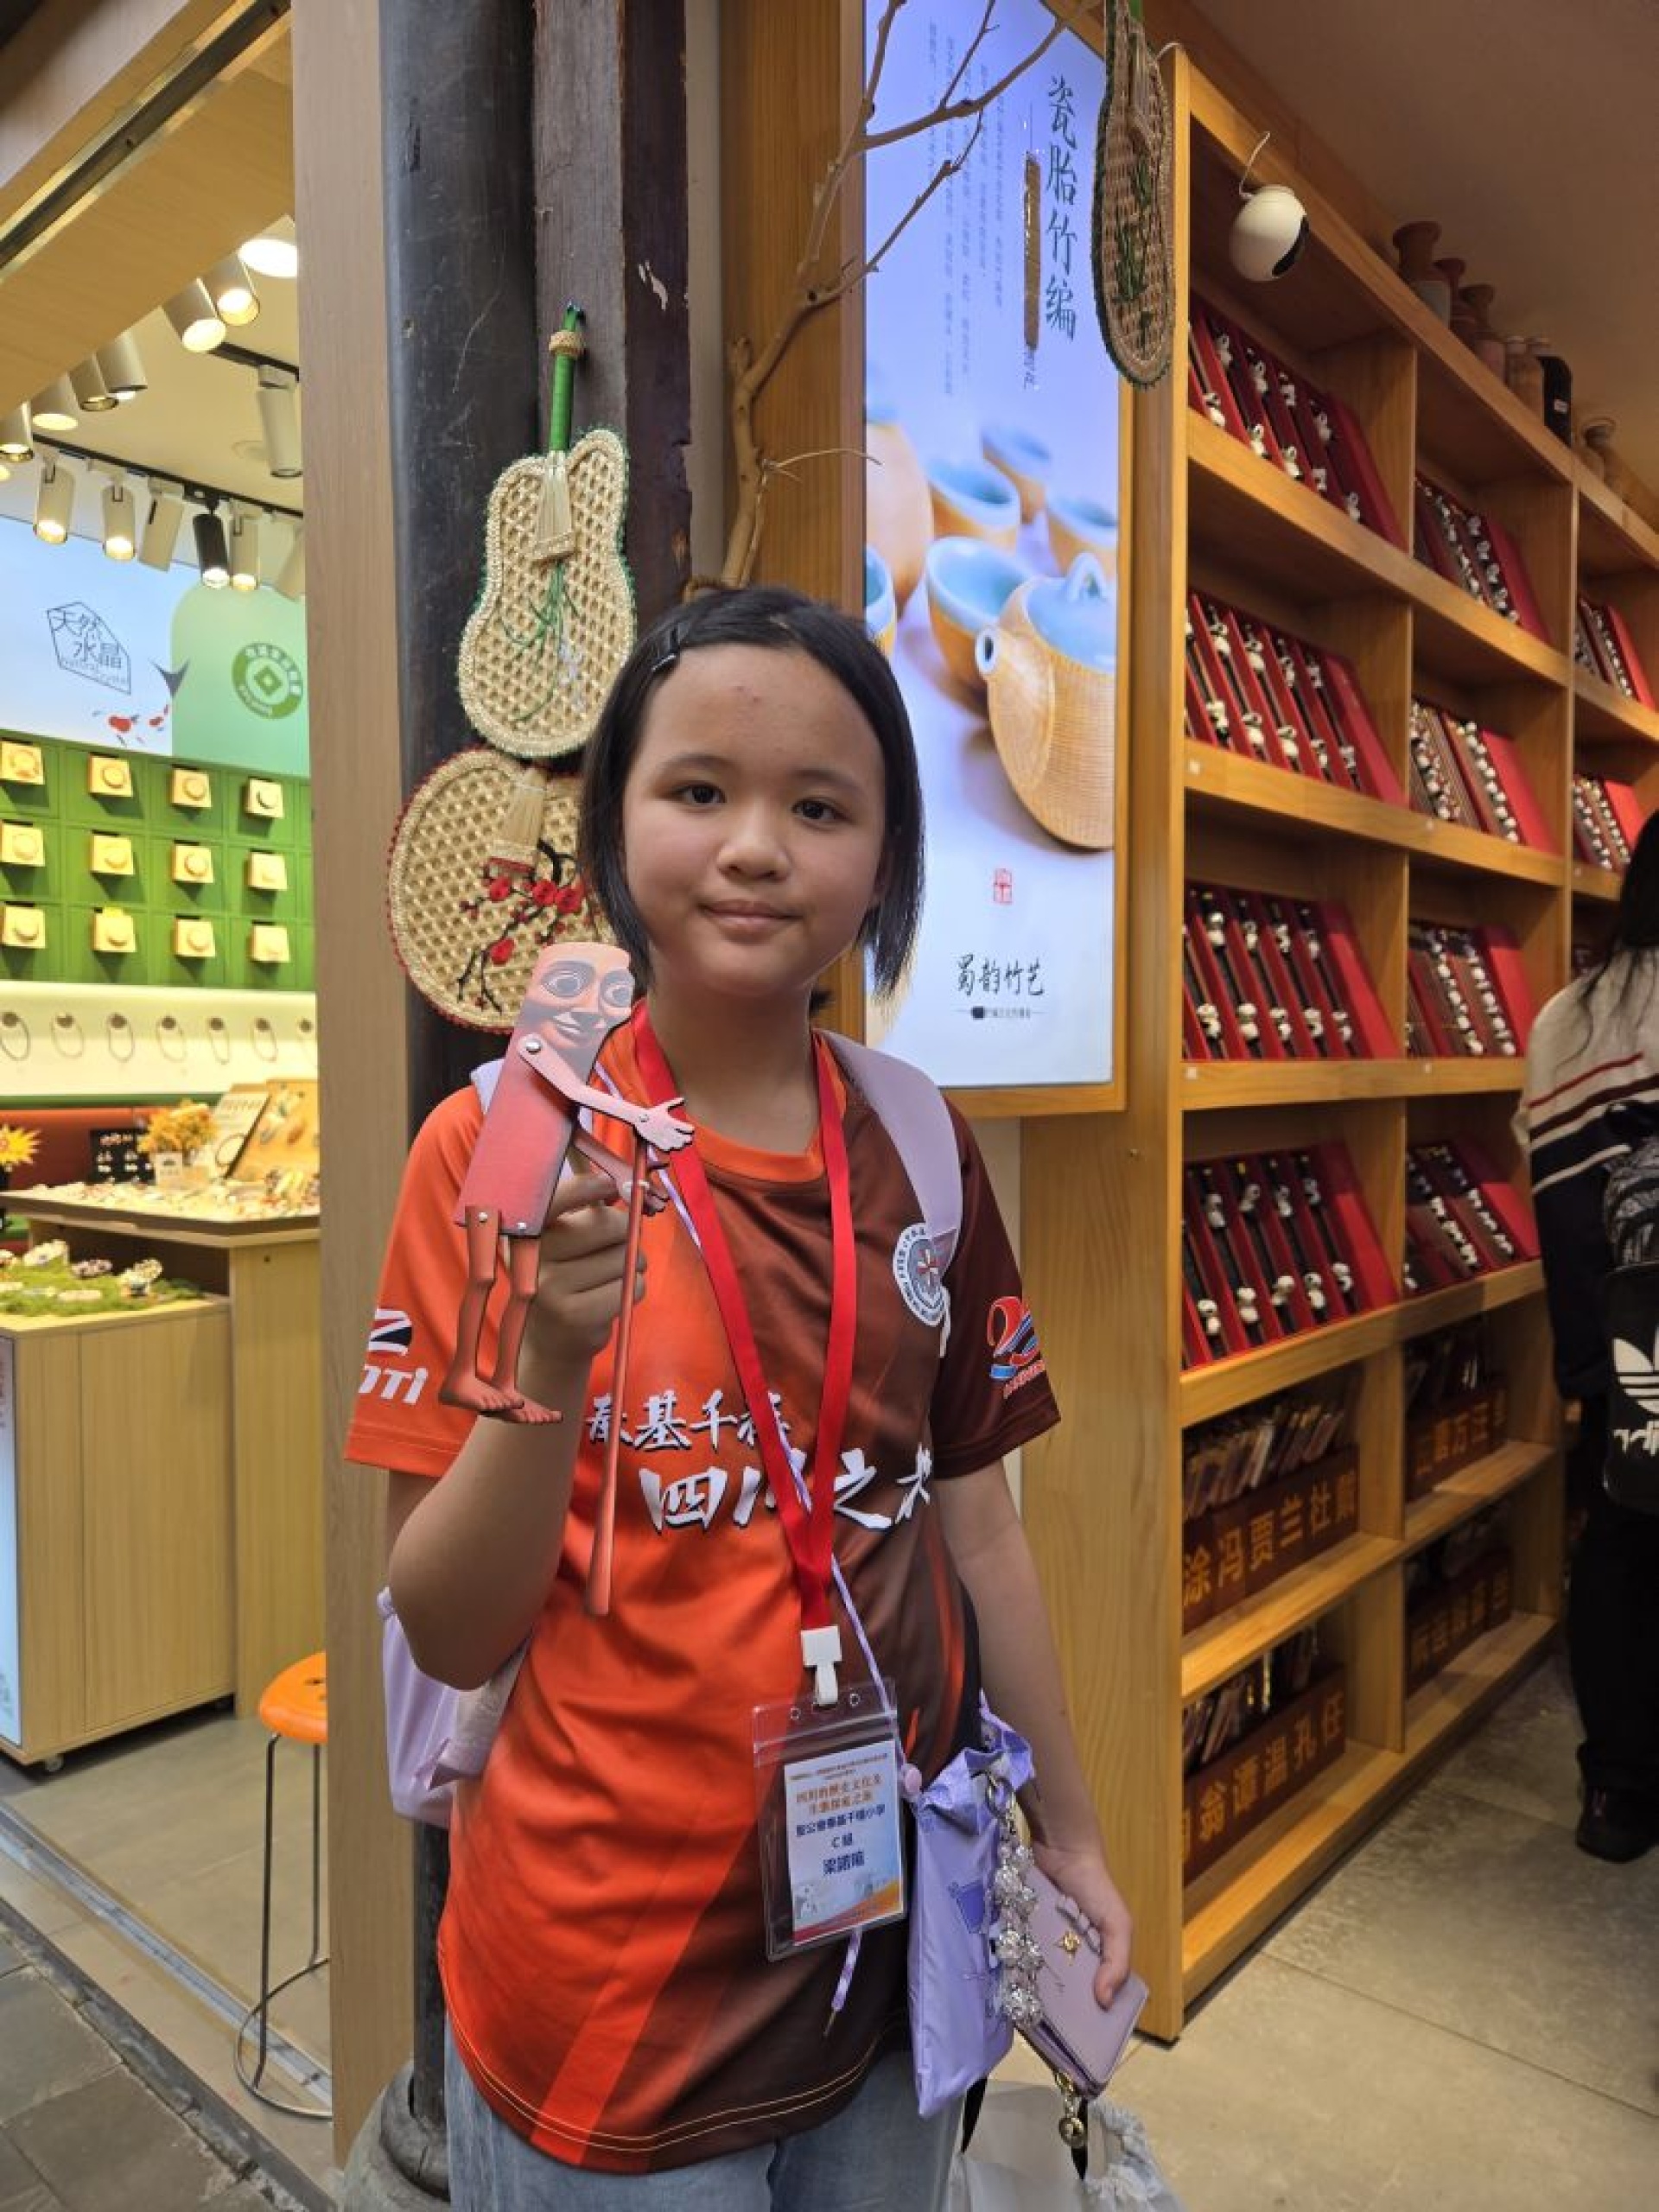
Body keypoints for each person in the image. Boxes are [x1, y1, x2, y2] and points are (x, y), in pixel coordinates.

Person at [346, 586, 1132, 2207]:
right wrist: (545, 1374)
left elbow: (980, 1535)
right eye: (699, 789)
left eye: (821, 808)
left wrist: (1071, 1833)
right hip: (602, 2013)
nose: (757, 848)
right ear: (614, 821)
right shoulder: (497, 1155)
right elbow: (449, 1627)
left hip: (884, 1969)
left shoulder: (921, 1149)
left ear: (888, 857)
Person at [1520, 810, 1659, 1861]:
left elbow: (1554, 1181)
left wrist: (1588, 1356)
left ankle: (1616, 1787)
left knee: (1618, 1542)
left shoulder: (1566, 1015)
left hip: (1619, 1336)